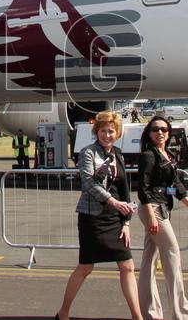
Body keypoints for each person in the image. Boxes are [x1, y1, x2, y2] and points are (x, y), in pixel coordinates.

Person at [57, 111, 141, 320]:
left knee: (127, 266)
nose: (107, 135)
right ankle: (63, 312)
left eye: (111, 131)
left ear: (118, 133)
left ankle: (137, 317)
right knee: (85, 267)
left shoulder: (118, 155)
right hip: (93, 217)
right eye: (103, 131)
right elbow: (88, 183)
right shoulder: (88, 152)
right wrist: (113, 202)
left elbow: (124, 190)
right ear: (97, 132)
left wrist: (127, 222)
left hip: (115, 218)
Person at [136, 116, 188, 320]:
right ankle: (183, 314)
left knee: (149, 259)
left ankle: (150, 313)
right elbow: (142, 188)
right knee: (172, 255)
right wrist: (151, 217)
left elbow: (176, 185)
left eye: (164, 129)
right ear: (149, 133)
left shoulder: (168, 155)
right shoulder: (148, 155)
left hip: (163, 207)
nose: (160, 133)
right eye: (156, 129)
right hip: (153, 208)